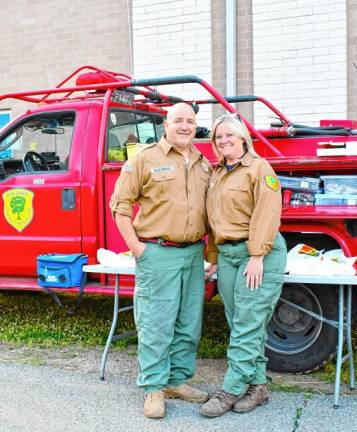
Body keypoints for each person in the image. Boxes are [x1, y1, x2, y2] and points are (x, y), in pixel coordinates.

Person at [109, 102, 212, 419]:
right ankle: (154, 388)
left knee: (188, 322)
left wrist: (211, 253)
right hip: (157, 252)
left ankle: (176, 381)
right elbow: (120, 206)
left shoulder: (203, 162)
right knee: (156, 324)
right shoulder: (144, 159)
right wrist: (138, 249)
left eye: (190, 121)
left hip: (193, 254)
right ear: (165, 125)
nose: (184, 126)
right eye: (178, 120)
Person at [200, 113, 287, 418]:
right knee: (241, 323)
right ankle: (259, 386)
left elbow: (268, 212)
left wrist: (258, 256)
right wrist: (212, 258)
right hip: (228, 255)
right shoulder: (217, 173)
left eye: (229, 136)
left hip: (257, 254)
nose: (223, 141)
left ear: (242, 138)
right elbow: (213, 220)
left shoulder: (259, 168)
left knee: (247, 325)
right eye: (218, 137)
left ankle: (231, 389)